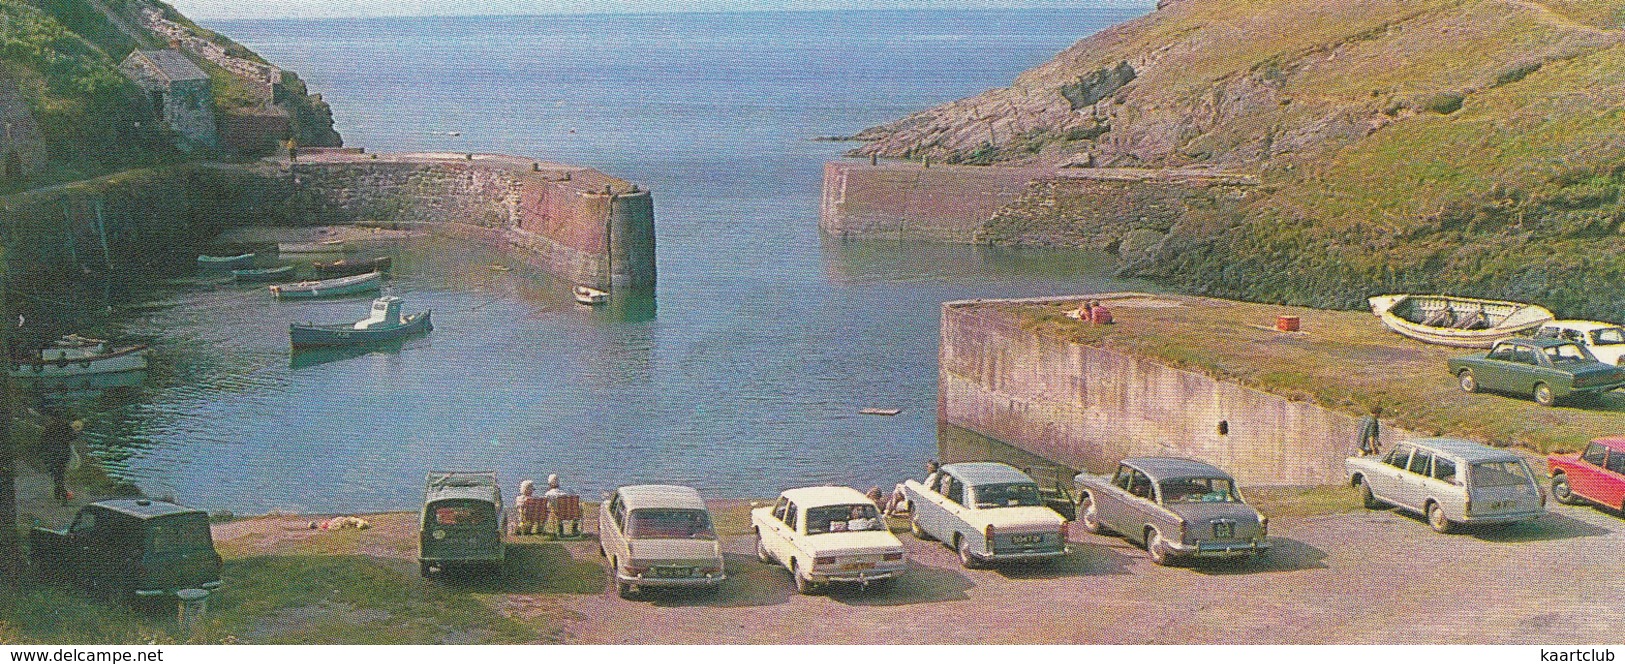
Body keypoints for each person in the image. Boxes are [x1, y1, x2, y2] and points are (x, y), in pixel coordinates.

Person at [40, 409, 76, 503]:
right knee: (60, 472)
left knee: (56, 473)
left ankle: (61, 492)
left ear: (53, 418)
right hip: (64, 453)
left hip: (53, 453)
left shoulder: (49, 427)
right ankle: (58, 491)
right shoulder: (66, 426)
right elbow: (74, 437)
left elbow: (43, 440)